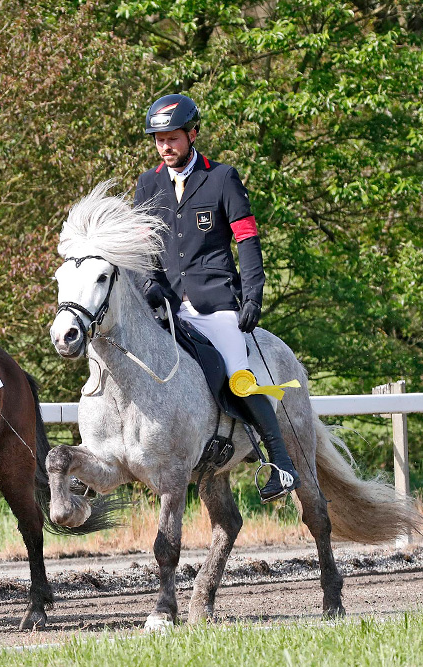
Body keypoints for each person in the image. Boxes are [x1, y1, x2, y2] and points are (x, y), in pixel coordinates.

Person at [134, 94, 301, 503]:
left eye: (173, 138)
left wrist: (253, 293)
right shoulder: (148, 183)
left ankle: (280, 464)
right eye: (159, 140)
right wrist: (148, 285)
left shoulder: (223, 178)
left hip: (214, 301)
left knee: (238, 374)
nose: (165, 147)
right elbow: (140, 247)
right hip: (166, 305)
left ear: (192, 135)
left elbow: (246, 239)